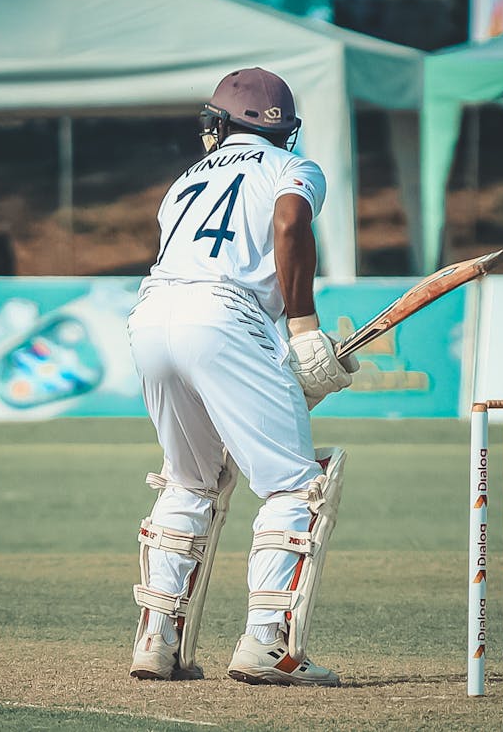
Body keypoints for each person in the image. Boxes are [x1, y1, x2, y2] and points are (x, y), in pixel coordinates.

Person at [126, 67, 358, 686]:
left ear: (219, 124)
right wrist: (305, 331)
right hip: (227, 315)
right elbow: (289, 223)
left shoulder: (182, 182)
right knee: (294, 485)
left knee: (188, 482)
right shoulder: (295, 168)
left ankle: (156, 641)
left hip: (151, 315)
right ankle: (268, 645)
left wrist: (282, 363)